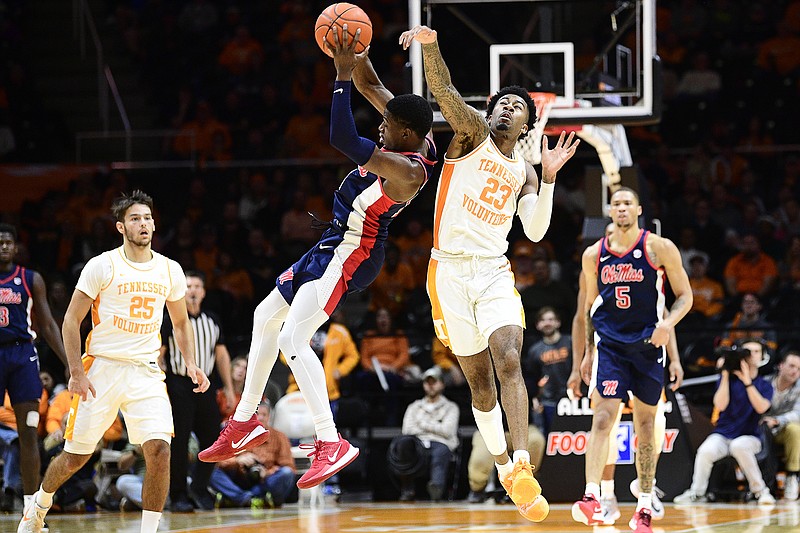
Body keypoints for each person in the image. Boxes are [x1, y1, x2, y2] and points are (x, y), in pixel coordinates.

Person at [199, 27, 437, 494]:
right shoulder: (409, 130)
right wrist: (357, 51)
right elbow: (373, 89)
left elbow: (341, 135)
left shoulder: (409, 168)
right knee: (263, 314)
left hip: (355, 250)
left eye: (387, 127)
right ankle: (245, 420)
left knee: (293, 337)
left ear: (407, 134)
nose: (380, 127)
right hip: (333, 241)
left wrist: (340, 76)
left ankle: (331, 441)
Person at [399, 24, 578, 522]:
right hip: (448, 273)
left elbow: (537, 232)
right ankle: (501, 465)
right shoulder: (472, 132)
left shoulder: (523, 168)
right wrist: (432, 47)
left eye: (518, 106)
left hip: (494, 273)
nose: (506, 107)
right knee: (479, 383)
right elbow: (445, 92)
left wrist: (547, 177)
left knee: (509, 358)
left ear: (527, 125)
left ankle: (522, 462)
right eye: (502, 101)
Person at [18, 190, 210, 533]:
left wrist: (191, 362)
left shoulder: (170, 269)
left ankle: (149, 529)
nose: (144, 224)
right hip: (101, 368)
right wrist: (75, 371)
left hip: (146, 371)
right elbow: (70, 320)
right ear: (121, 227)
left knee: (160, 451)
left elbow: (180, 322)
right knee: (75, 456)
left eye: (148, 218)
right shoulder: (102, 265)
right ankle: (39, 505)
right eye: (136, 219)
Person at [572, 187, 693, 533]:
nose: (622, 208)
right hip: (610, 347)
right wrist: (587, 354)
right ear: (610, 212)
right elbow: (589, 308)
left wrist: (667, 326)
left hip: (646, 348)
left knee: (645, 427)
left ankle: (643, 505)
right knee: (602, 419)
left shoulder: (658, 247)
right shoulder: (594, 255)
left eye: (627, 203)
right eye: (616, 204)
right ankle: (592, 495)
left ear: (638, 209)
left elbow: (685, 297)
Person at [0, 223, 68, 514]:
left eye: (8, 242)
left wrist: (69, 363)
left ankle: (32, 510)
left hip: (22, 355)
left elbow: (49, 324)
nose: (4, 246)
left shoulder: (30, 279)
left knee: (28, 431)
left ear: (16, 247)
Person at [160, 270, 235, 512]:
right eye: (188, 286)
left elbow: (221, 355)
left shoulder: (212, 319)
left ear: (203, 292)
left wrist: (230, 390)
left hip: (206, 385)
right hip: (178, 384)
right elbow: (159, 354)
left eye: (196, 286)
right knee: (179, 443)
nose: (192, 290)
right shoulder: (169, 318)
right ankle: (179, 494)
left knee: (213, 439)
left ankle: (199, 488)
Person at [674, 339, 775, 505]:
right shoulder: (726, 380)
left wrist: (747, 381)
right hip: (724, 434)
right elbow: (720, 405)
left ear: (763, 357)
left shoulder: (764, 385)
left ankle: (761, 492)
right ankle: (696, 493)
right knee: (706, 450)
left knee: (739, 446)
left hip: (751, 436)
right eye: (747, 352)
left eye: (755, 352)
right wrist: (726, 374)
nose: (750, 356)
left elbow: (761, 408)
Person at [387, 366, 459, 502]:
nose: (430, 386)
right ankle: (407, 488)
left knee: (441, 451)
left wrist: (422, 424)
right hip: (418, 443)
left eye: (434, 382)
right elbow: (407, 430)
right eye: (427, 383)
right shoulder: (414, 406)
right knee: (404, 443)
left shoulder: (451, 407)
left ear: (442, 384)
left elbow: (447, 431)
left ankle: (436, 489)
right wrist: (435, 425)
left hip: (441, 443)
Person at [210, 399, 295, 509]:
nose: (260, 418)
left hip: (264, 482)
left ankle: (237, 499)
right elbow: (218, 461)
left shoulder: (279, 437)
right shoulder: (234, 434)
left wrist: (267, 472)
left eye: (264, 415)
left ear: (269, 417)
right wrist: (237, 460)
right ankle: (248, 499)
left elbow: (289, 467)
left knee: (286, 473)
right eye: (257, 414)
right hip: (237, 478)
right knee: (209, 470)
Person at [526, 307, 572, 434]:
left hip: (573, 399)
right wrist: (534, 398)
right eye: (543, 320)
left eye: (551, 319)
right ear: (538, 325)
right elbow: (531, 377)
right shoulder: (534, 351)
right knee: (549, 440)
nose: (547, 323)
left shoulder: (571, 343)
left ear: (558, 322)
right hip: (548, 402)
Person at [762, 349, 800, 500]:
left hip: (783, 430)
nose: (795, 372)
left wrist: (777, 420)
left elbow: (798, 414)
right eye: (791, 366)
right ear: (781, 365)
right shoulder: (765, 383)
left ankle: (792, 476)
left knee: (795, 429)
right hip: (762, 429)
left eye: (799, 369)